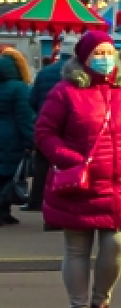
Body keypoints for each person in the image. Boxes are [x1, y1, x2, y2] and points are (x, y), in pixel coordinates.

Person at [33, 31, 121, 308]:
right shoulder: (65, 92)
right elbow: (44, 133)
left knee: (117, 246)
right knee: (77, 249)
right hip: (80, 184)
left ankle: (101, 301)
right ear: (84, 58)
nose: (104, 58)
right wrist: (70, 158)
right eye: (97, 53)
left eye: (108, 52)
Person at [24, 47, 68, 213]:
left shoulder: (45, 72)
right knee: (65, 165)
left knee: (42, 164)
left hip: (46, 124)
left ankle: (36, 200)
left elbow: (32, 99)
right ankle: (60, 202)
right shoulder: (79, 73)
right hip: (68, 127)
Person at [0, 46, 33, 226]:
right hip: (12, 136)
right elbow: (24, 116)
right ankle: (3, 210)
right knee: (10, 175)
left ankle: (4, 212)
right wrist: (31, 139)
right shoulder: (20, 88)